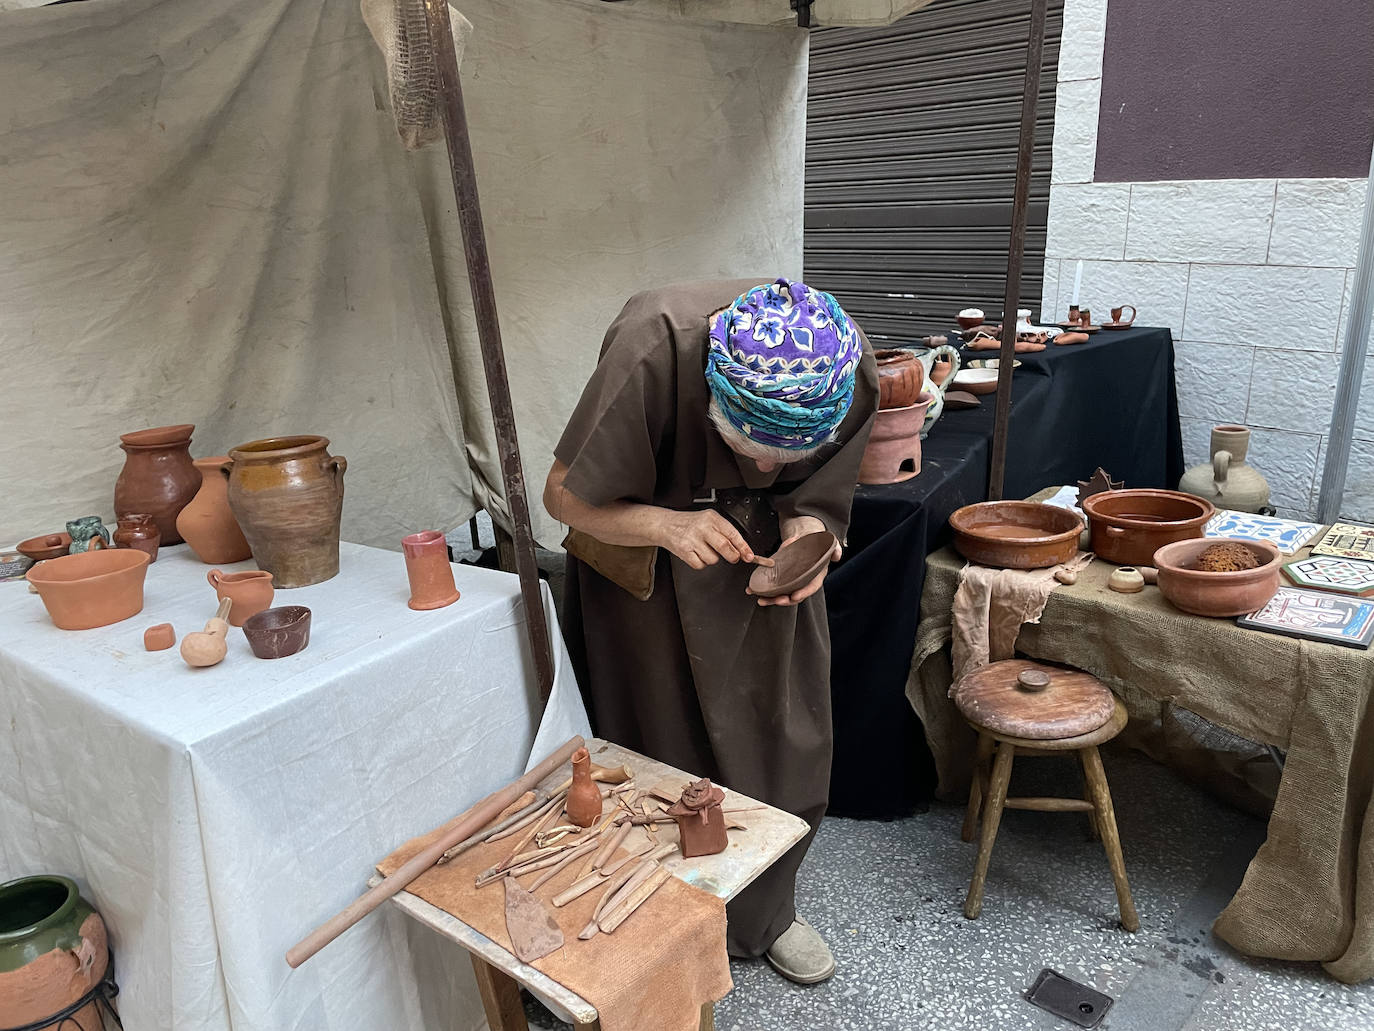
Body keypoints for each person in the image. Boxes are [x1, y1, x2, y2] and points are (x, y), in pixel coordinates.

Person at [544, 278, 877, 984]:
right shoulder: (655, 350)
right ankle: (657, 917)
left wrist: (810, 534)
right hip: (647, 563)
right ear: (713, 395)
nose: (762, 470)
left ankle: (765, 914)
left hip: (761, 569)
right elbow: (563, 495)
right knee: (656, 743)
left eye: (784, 458)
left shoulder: (846, 368)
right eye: (749, 447)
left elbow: (819, 499)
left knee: (783, 739)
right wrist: (667, 525)